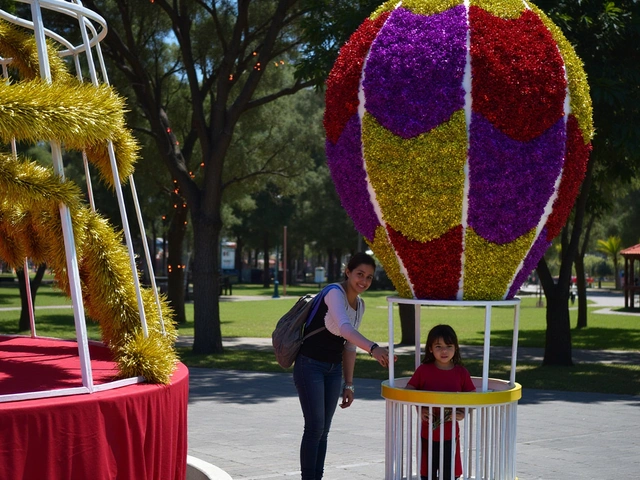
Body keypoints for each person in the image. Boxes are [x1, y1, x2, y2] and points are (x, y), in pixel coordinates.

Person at [293, 252, 393, 480]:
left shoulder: (360, 305)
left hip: (332, 370)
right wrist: (374, 348)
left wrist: (349, 384)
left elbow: (348, 346)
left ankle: (317, 476)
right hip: (309, 366)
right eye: (359, 274)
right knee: (315, 427)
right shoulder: (333, 293)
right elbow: (346, 329)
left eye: (369, 277)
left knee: (324, 431)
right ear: (347, 272)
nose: (364, 281)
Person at [406, 324, 476, 480]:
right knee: (427, 473)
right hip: (427, 432)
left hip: (450, 434)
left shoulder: (461, 372)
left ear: (456, 348)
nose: (444, 351)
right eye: (438, 346)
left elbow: (472, 396)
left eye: (449, 346)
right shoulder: (423, 370)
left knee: (449, 473)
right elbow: (409, 390)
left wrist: (463, 412)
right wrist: (420, 408)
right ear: (430, 348)